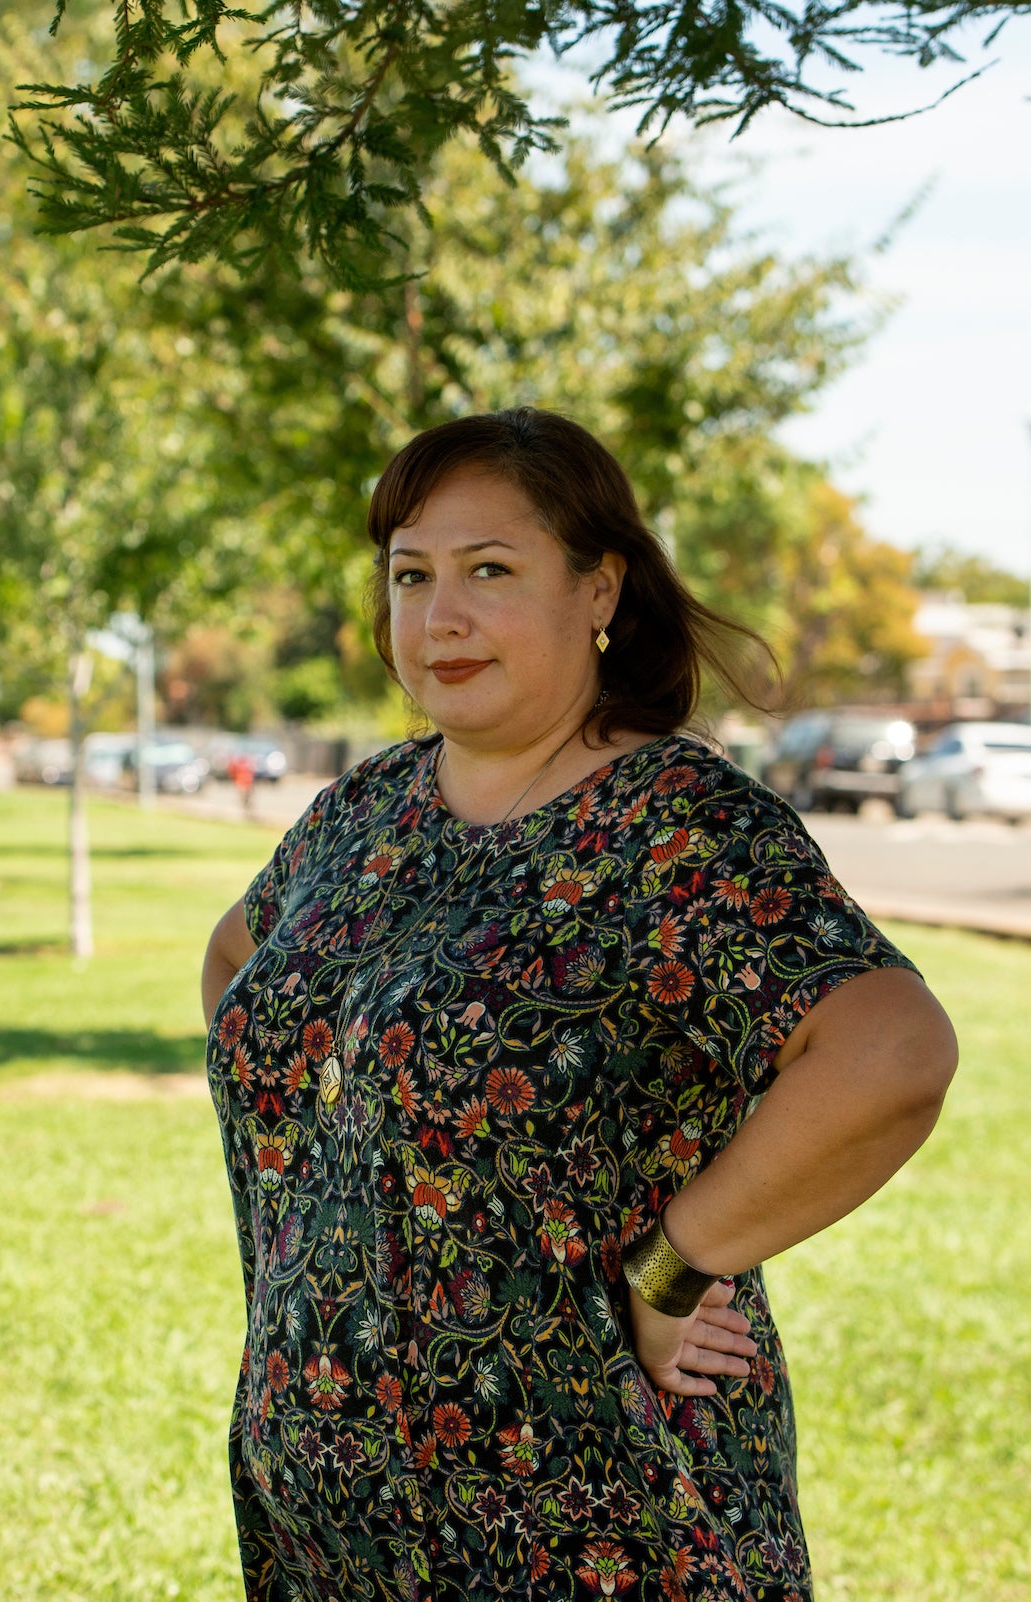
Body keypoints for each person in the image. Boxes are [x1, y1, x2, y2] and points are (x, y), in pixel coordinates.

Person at [197, 408, 959, 1601]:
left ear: (598, 589)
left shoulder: (676, 825)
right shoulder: (364, 813)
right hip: (330, 1535)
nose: (439, 616)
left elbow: (891, 1051)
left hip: (586, 1521)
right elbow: (240, 971)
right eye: (412, 576)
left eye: (489, 571)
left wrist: (675, 1266)